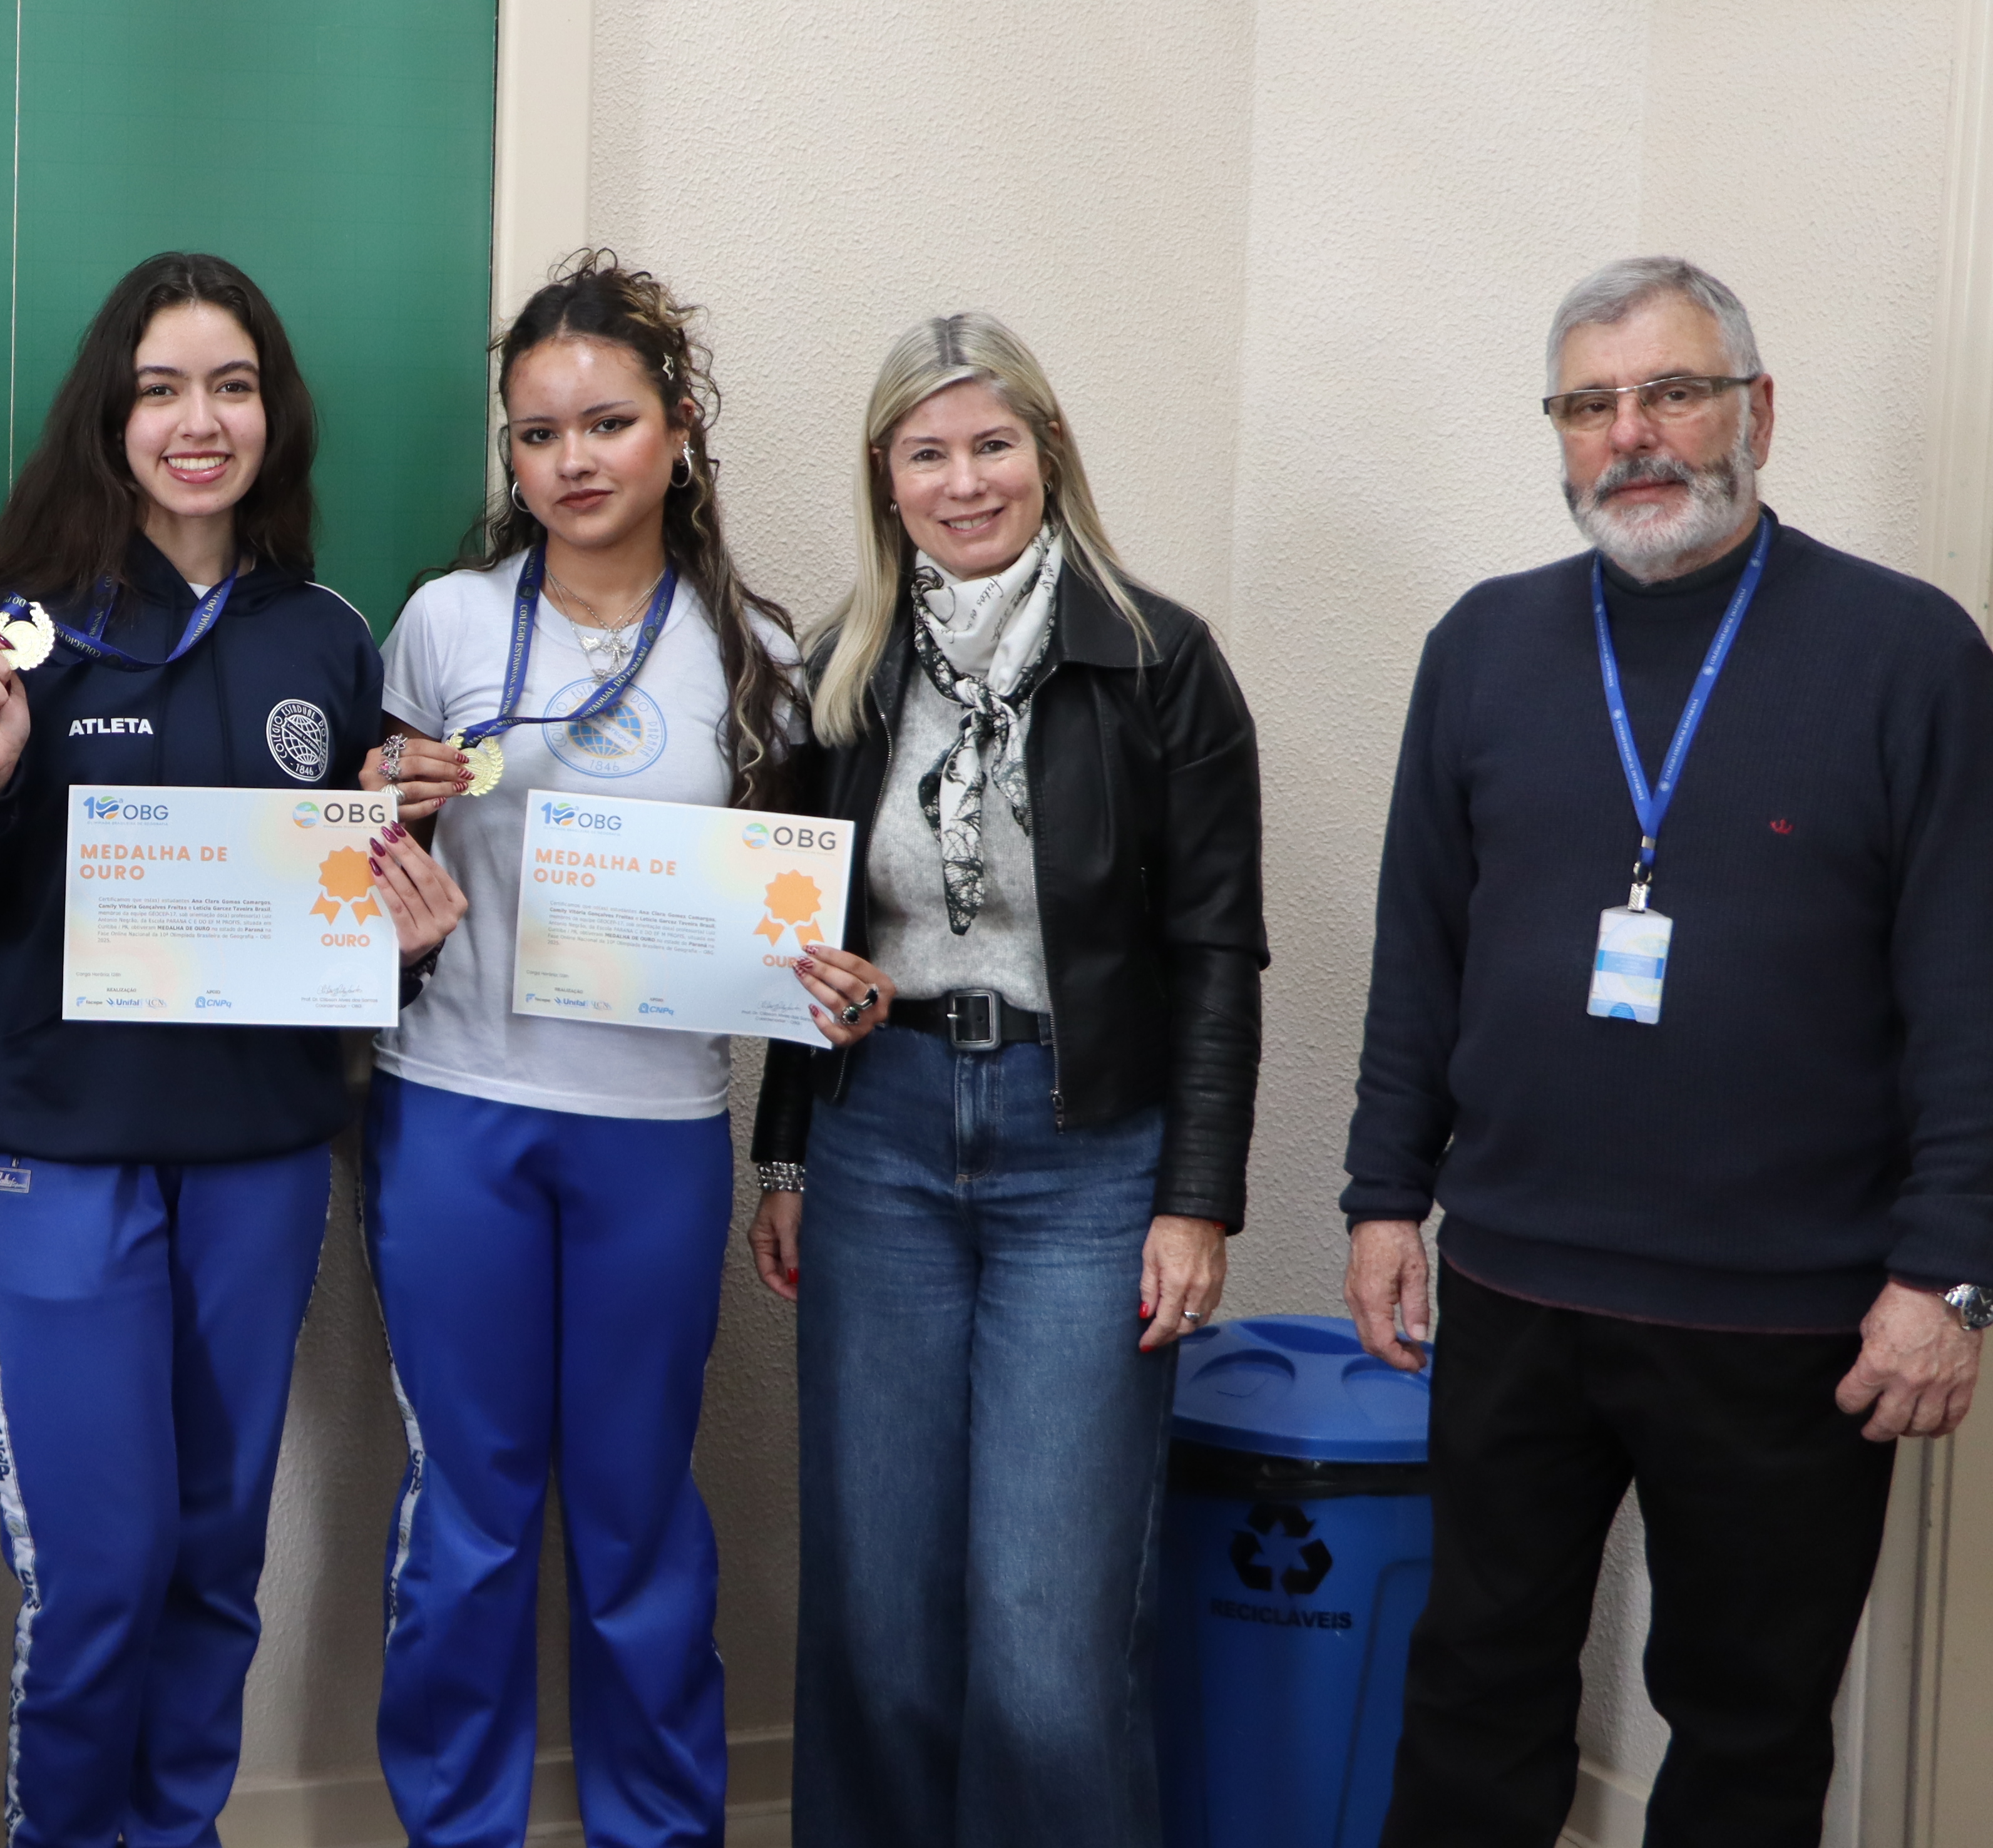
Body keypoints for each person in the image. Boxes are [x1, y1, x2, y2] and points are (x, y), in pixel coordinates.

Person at [1343, 257, 1993, 1845]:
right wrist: (1381, 1195)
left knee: (1751, 1730)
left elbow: (1973, 984)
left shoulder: (1911, 654)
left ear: (1757, 410)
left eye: (1674, 392)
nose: (1634, 434)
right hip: (1512, 1288)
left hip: (1791, 1319)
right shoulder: (1483, 647)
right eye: (1591, 404)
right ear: (1559, 435)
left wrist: (1951, 1272)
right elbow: (1419, 945)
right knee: (1474, 1688)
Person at [0, 252, 465, 1848]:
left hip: (262, 1153)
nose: (197, 420)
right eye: (160, 387)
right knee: (98, 1570)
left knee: (217, 1556)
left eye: (230, 385)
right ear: (110, 411)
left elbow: (336, 912)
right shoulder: (9, 625)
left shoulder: (326, 634)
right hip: (63, 1148)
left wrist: (404, 933)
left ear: (272, 413)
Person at [361, 255, 886, 1847]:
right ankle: (460, 1824)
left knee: (638, 1516)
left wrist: (828, 990)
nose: (572, 460)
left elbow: (789, 930)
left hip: (654, 1128)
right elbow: (373, 904)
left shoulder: (761, 650)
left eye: (608, 422)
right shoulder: (446, 624)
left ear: (677, 433)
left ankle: (660, 1828)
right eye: (537, 434)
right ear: (509, 457)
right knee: (471, 1518)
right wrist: (390, 843)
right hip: (456, 1113)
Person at [747, 312, 1264, 1847]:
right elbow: (799, 927)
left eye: (994, 444)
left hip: (1090, 1158)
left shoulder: (1160, 661)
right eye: (928, 453)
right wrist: (784, 1156)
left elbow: (1217, 952)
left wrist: (1198, 1202)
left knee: (1048, 1640)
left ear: (1048, 454)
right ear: (885, 478)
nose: (965, 482)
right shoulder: (843, 670)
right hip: (880, 1145)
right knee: (877, 1621)